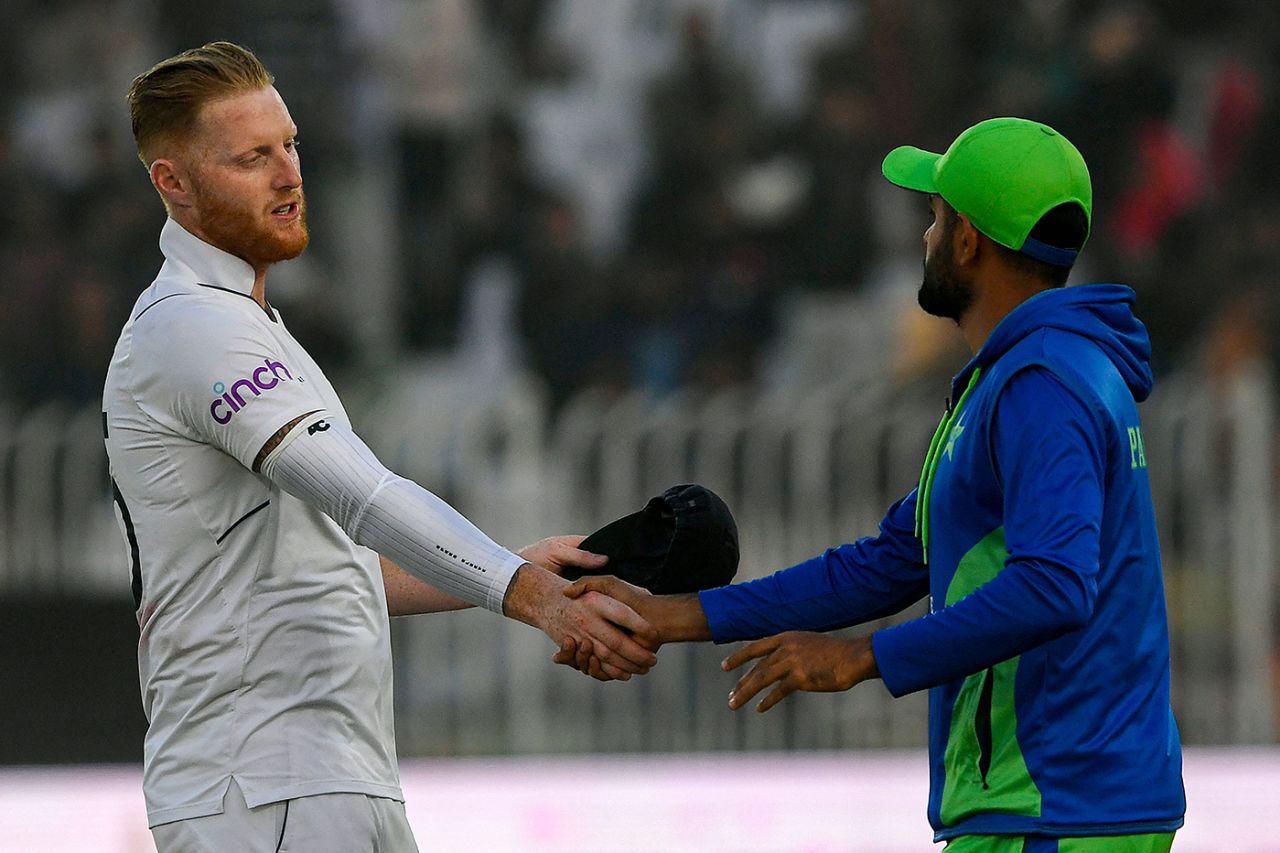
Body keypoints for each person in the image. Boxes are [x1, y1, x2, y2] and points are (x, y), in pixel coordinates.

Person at [562, 117, 1186, 850]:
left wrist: (862, 657)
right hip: (1054, 803)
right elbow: (892, 560)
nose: (924, 237)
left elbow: (1055, 584)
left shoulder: (1042, 383)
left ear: (967, 241)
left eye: (935, 216)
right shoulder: (1034, 375)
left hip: (1056, 807)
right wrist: (671, 616)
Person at [104, 42, 657, 852]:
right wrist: (527, 595)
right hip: (264, 784)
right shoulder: (195, 328)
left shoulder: (247, 323)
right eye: (252, 158)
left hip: (310, 778)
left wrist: (512, 562)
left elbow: (323, 564)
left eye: (290, 145)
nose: (290, 174)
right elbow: (363, 497)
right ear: (173, 184)